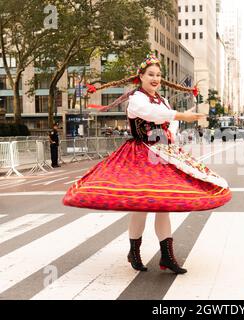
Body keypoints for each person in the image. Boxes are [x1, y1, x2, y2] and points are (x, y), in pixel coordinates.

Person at [63, 54, 232, 274]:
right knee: (140, 206)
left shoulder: (162, 100)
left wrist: (172, 130)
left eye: (158, 75)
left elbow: (170, 123)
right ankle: (134, 252)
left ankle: (167, 257)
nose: (155, 78)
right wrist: (180, 115)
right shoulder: (136, 99)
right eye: (151, 74)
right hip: (139, 154)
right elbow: (152, 114)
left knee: (164, 206)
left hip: (162, 152)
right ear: (140, 76)